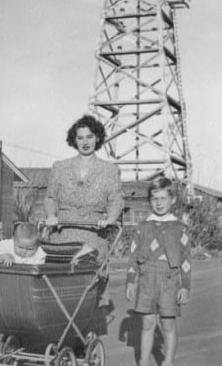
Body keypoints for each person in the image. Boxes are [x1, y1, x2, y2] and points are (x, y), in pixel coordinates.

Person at [125, 177, 191, 366]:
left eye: (163, 198)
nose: (159, 203)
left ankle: (168, 362)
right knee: (147, 324)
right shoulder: (142, 227)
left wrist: (185, 286)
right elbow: (133, 256)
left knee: (168, 325)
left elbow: (186, 260)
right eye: (155, 199)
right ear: (149, 201)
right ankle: (144, 362)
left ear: (173, 200)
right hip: (146, 281)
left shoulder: (180, 228)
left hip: (169, 281)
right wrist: (131, 280)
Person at [44, 114, 124, 261]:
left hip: (94, 235)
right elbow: (50, 197)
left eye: (90, 137)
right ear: (74, 140)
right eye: (80, 138)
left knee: (89, 278)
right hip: (63, 236)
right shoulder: (60, 167)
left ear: (98, 138)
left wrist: (110, 219)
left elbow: (115, 199)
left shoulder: (110, 169)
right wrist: (51, 215)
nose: (85, 142)